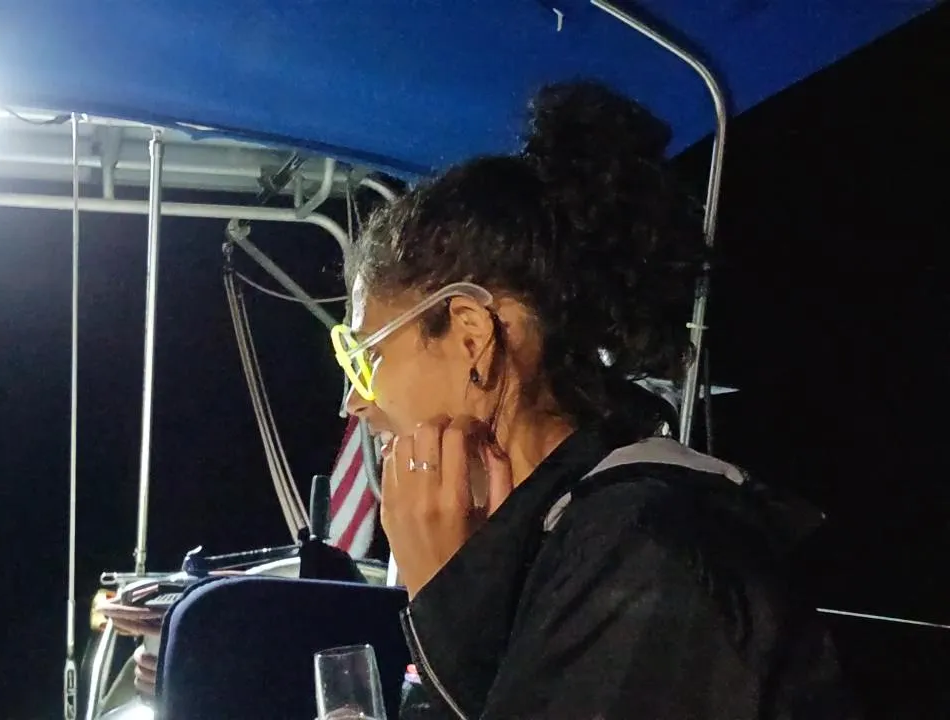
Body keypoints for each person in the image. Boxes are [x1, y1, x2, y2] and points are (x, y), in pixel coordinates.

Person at [331, 81, 854, 718]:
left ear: (471, 334)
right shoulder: (562, 536)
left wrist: (447, 595)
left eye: (365, 357)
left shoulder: (647, 552)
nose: (355, 404)